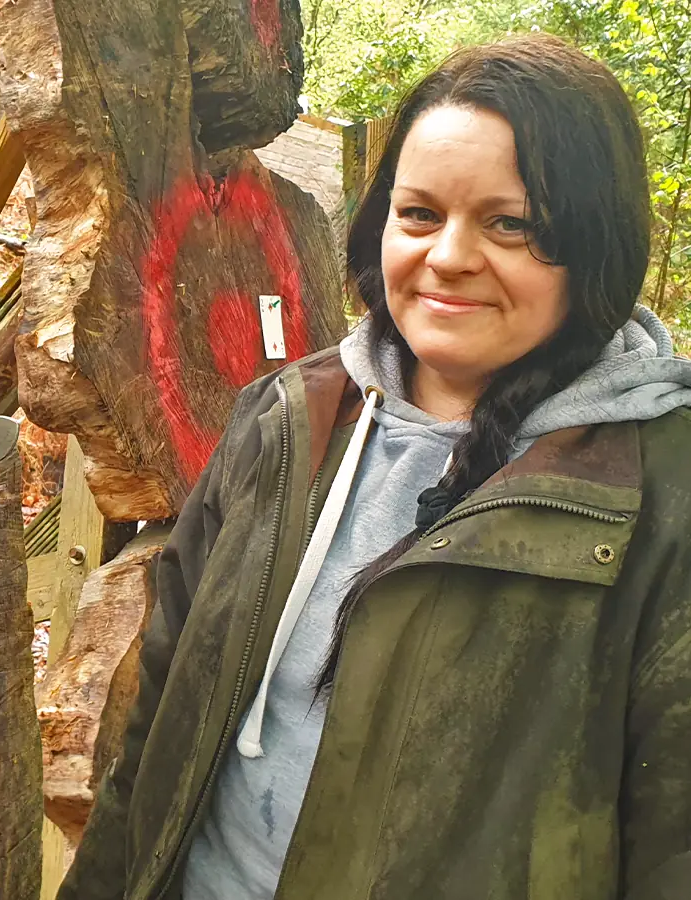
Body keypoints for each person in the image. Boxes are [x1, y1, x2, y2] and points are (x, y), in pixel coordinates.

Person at [58, 33, 691, 900]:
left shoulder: (659, 495)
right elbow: (159, 726)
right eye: (419, 213)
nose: (449, 256)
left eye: (512, 224)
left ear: (597, 243)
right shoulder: (288, 421)